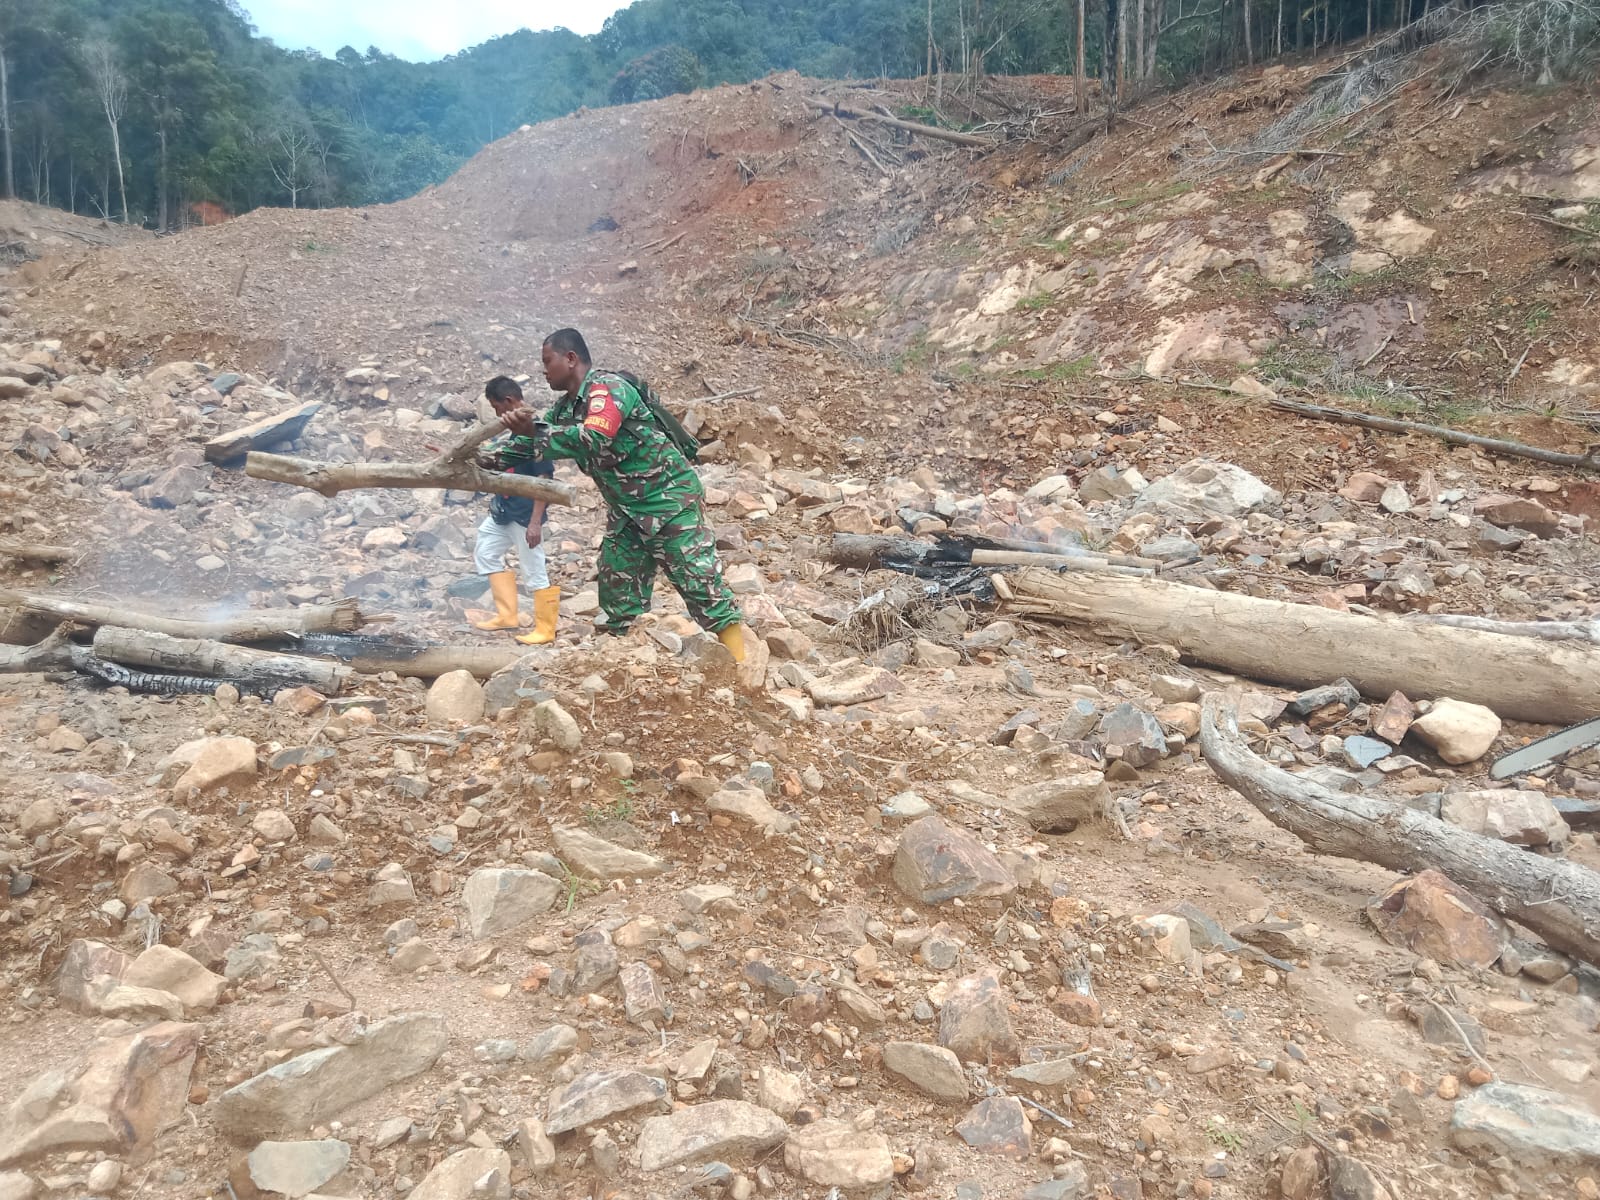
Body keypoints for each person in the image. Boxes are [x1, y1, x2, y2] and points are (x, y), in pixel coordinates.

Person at [497, 327, 748, 661]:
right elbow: (526, 446)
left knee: (701, 587)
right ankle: (628, 666)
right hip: (627, 514)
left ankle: (743, 668)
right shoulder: (565, 409)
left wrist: (535, 431)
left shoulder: (609, 389)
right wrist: (479, 457)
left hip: (669, 503)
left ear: (570, 359)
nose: (544, 371)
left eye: (547, 361)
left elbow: (595, 437)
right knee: (618, 596)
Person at [470, 376, 560, 646]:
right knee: (485, 551)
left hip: (524, 514)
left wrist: (535, 522)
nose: (498, 414)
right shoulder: (516, 431)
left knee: (533, 568)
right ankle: (507, 615)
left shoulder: (536, 432)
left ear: (508, 401)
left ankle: (545, 629)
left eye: (497, 407)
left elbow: (544, 479)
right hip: (504, 511)